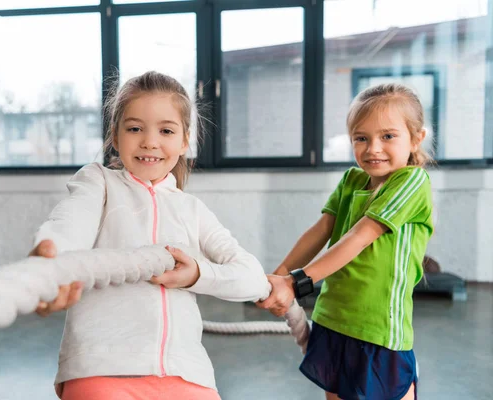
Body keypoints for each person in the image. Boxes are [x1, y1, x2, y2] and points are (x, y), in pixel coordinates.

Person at [28, 71, 295, 400]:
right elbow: (70, 222)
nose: (149, 141)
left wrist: (196, 274)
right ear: (115, 134)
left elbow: (251, 278)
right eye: (135, 128)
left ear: (184, 141)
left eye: (166, 130)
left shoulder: (192, 210)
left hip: (186, 373)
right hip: (102, 369)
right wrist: (51, 257)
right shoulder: (98, 183)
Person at [258, 83, 434, 400]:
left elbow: (360, 236)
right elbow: (321, 229)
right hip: (333, 317)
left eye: (388, 136)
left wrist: (296, 282)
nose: (373, 148)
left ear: (416, 138)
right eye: (361, 138)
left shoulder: (411, 181)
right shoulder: (351, 180)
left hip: (379, 329)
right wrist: (280, 275)